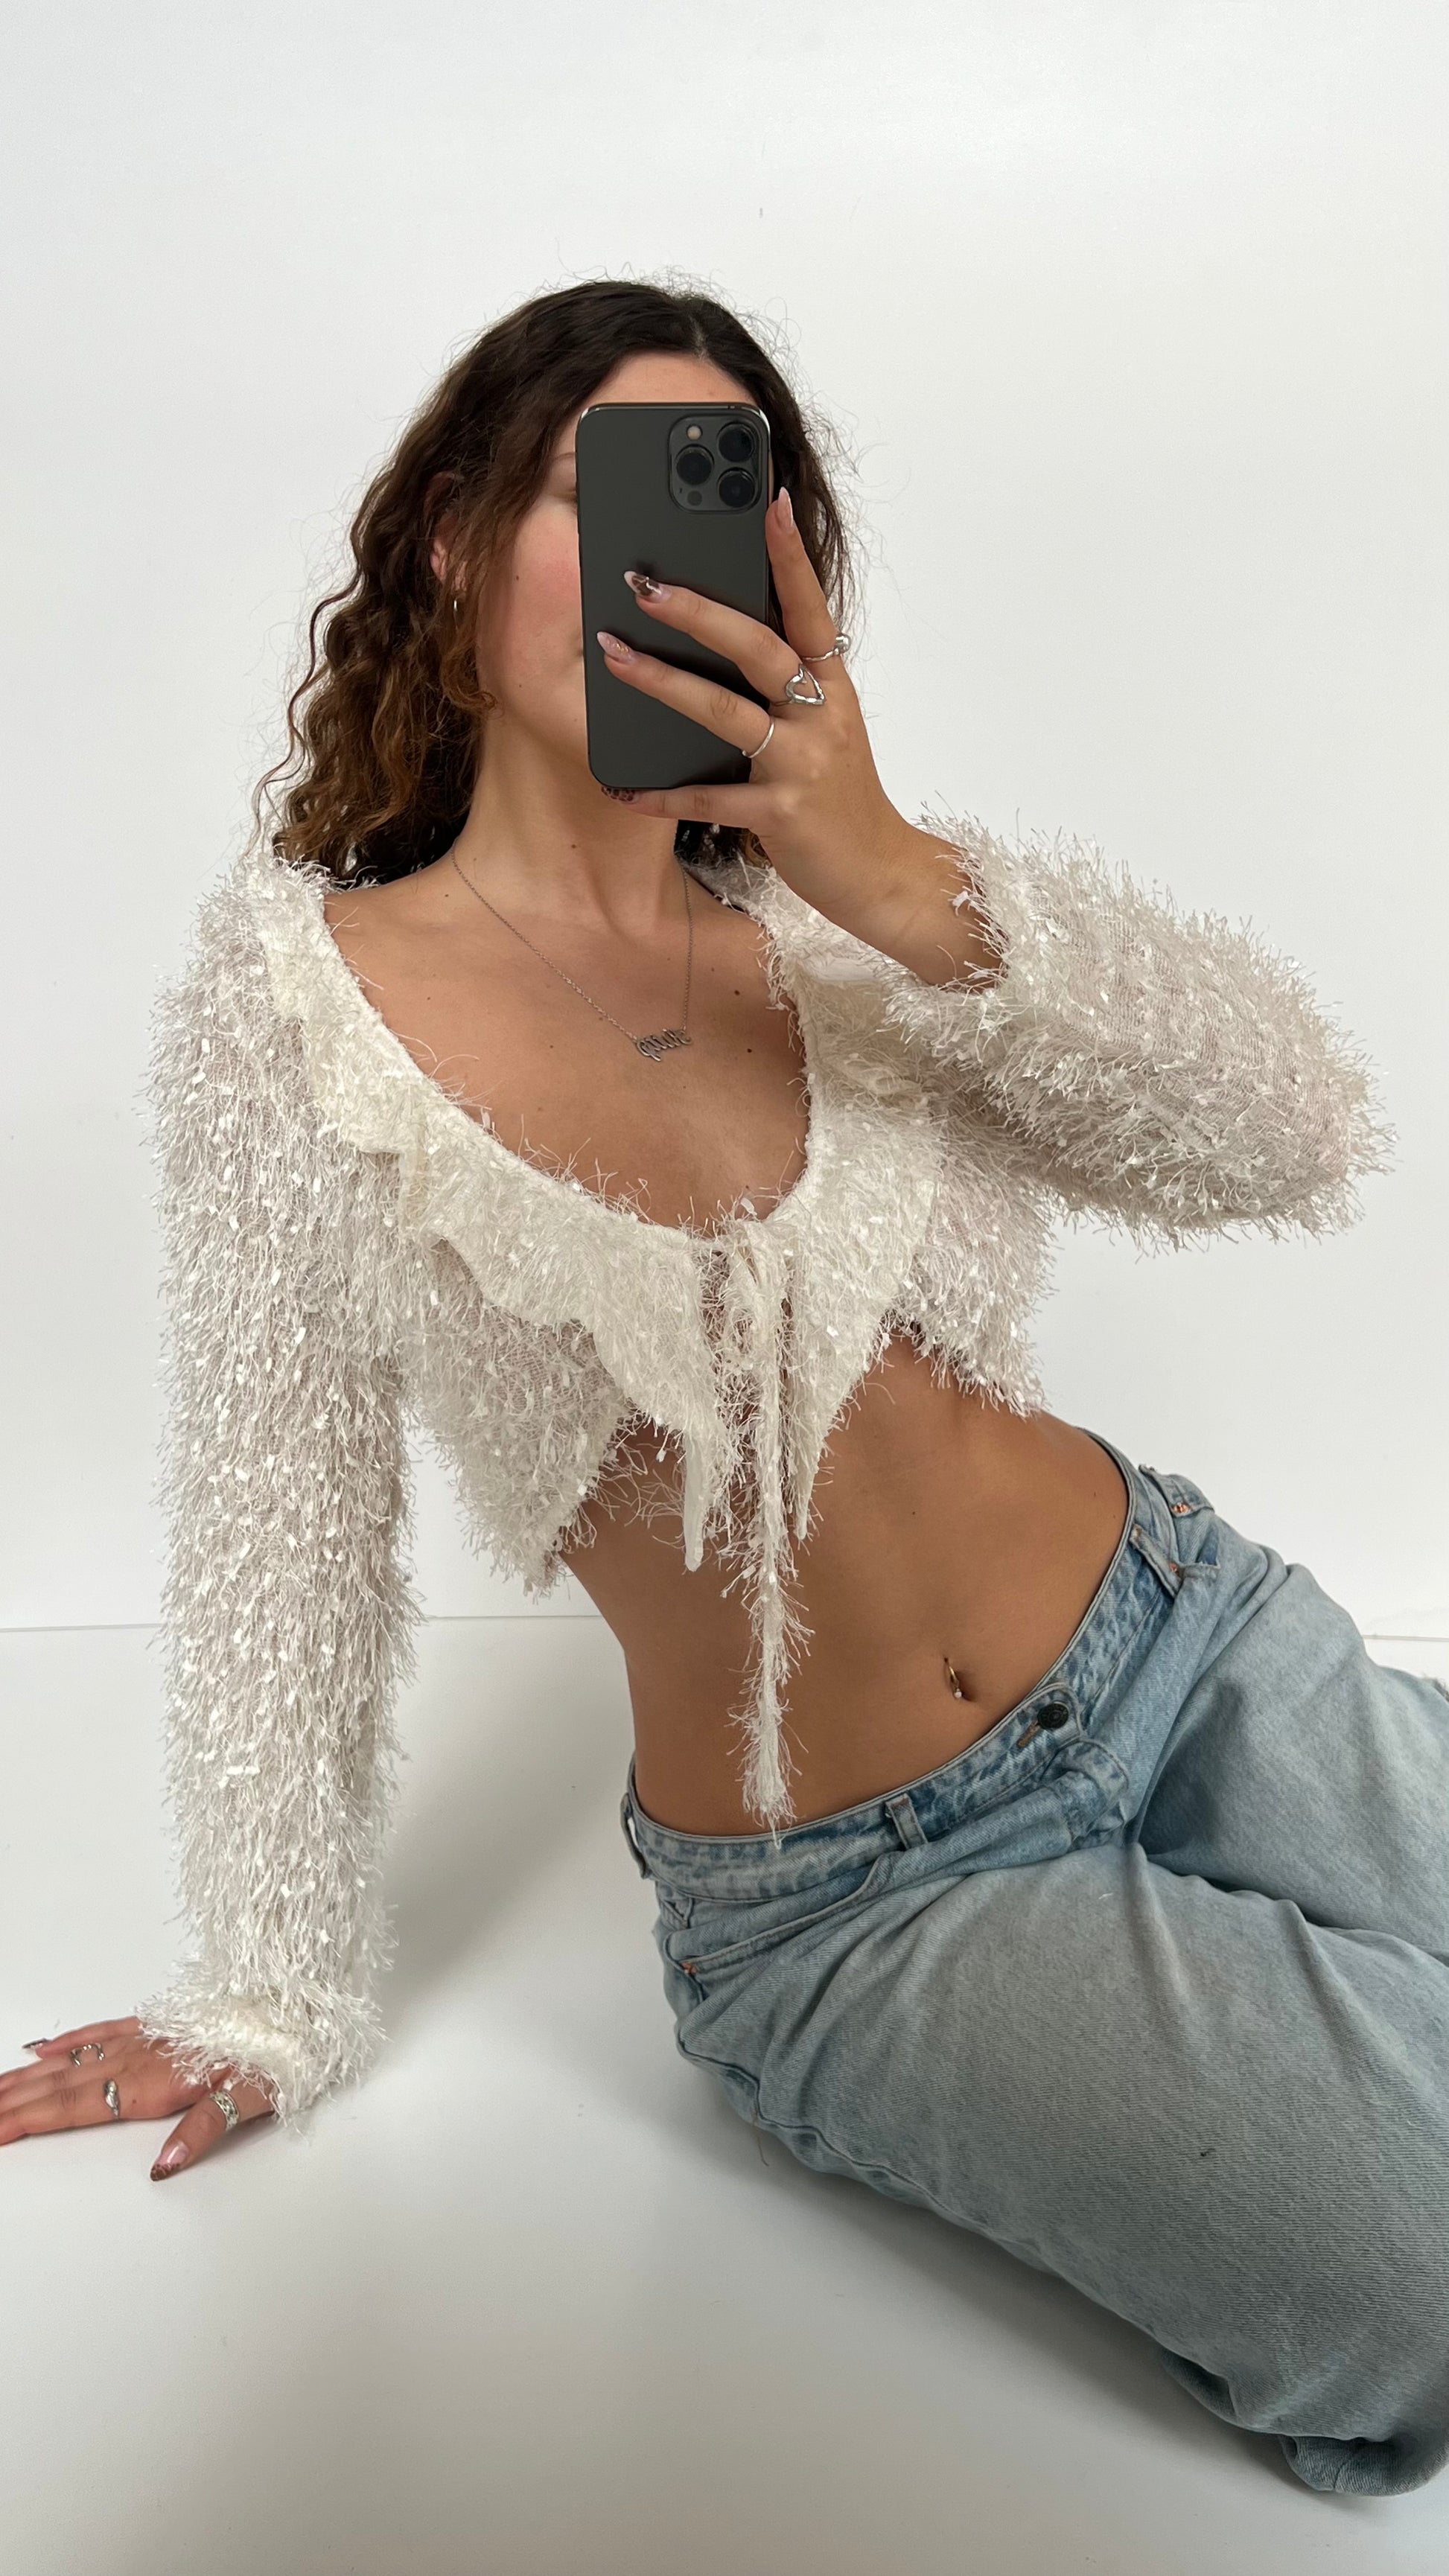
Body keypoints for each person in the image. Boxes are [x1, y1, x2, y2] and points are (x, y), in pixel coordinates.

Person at [4, 278, 1445, 2498]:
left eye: (724, 499)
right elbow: (283, 1516)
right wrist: (273, 1986)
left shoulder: (849, 920)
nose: (668, 558)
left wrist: (901, 876)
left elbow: (1299, 1137)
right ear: (452, 543)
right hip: (874, 1900)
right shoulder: (296, 1017)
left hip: (1192, 1635)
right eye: (609, 491)